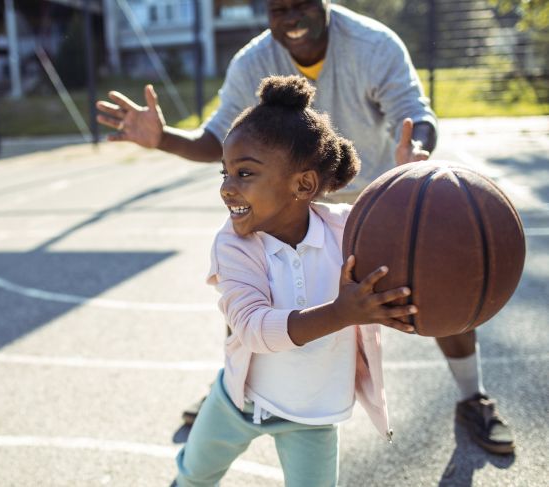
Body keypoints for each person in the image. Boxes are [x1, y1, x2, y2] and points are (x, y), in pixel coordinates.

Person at [96, 0, 514, 455]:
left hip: (371, 200)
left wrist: (414, 151)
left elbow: (414, 112)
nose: (290, 18)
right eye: (278, 10)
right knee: (250, 291)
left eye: (300, 6)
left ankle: (472, 396)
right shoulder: (252, 61)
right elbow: (216, 138)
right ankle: (233, 390)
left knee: (434, 277)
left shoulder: (373, 44)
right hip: (281, 202)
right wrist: (163, 138)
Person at [175, 74, 417, 487]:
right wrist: (341, 313)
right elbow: (252, 328)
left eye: (244, 174)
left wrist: (411, 186)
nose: (228, 189)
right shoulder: (233, 246)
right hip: (240, 402)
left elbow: (402, 236)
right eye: (225, 174)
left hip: (313, 415)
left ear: (303, 184)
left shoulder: (346, 231)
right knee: (194, 476)